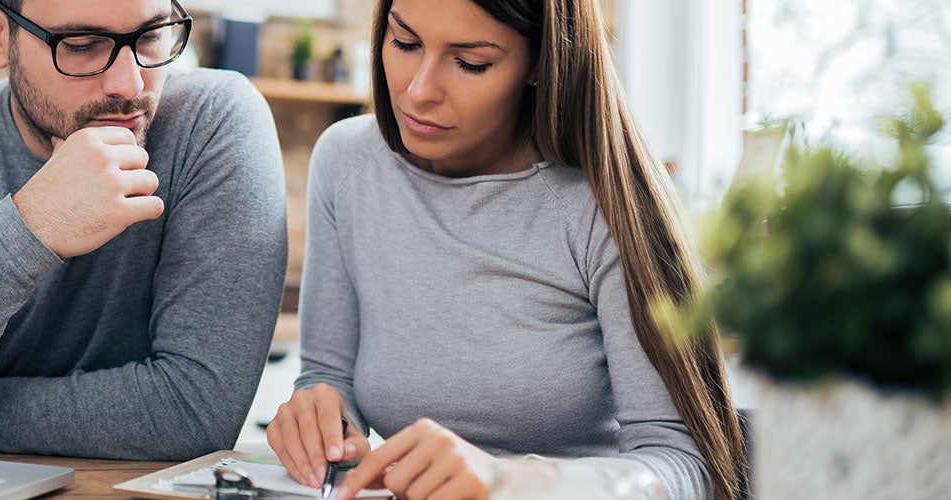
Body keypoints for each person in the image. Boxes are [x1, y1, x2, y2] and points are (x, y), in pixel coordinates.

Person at [265, 0, 746, 499]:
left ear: (542, 62)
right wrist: (321, 422)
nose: (418, 91)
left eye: (471, 62)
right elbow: (328, 375)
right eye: (404, 42)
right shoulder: (347, 166)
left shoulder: (606, 203)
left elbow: (690, 468)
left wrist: (512, 482)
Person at [0, 0, 287, 460]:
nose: (129, 84)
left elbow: (195, 411)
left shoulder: (212, 123)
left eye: (150, 36)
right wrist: (31, 225)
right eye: (81, 45)